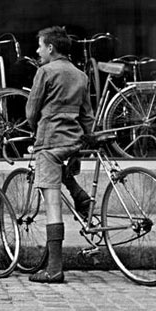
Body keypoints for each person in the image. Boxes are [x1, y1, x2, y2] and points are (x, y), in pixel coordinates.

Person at [25, 26, 94, 284]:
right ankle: (80, 196)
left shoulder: (45, 72)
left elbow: (32, 110)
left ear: (51, 48)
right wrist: (88, 135)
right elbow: (87, 114)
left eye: (40, 46)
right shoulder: (80, 75)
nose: (37, 50)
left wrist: (36, 131)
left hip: (50, 140)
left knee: (52, 205)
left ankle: (54, 268)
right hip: (73, 141)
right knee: (61, 169)